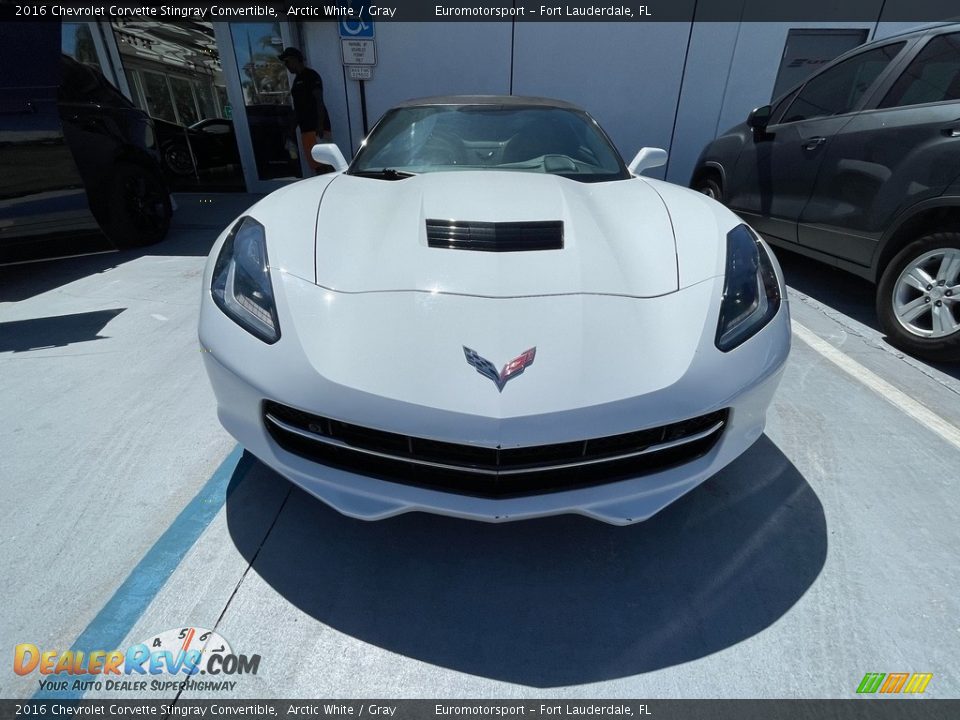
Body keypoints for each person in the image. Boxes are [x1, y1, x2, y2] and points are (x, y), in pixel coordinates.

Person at [278, 46, 332, 174]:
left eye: (287, 61)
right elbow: (298, 108)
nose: (286, 65)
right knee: (316, 166)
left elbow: (319, 100)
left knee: (326, 164)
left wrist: (320, 125)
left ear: (295, 60)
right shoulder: (296, 81)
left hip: (318, 129)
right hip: (305, 130)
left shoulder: (311, 76)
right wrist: (291, 130)